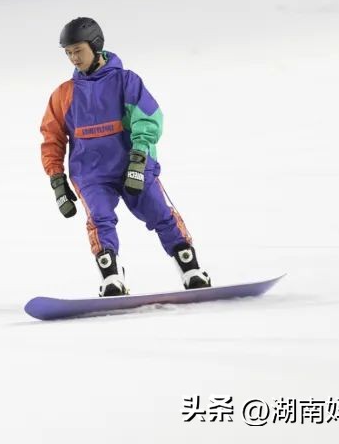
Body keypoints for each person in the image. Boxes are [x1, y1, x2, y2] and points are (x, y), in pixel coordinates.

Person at [39, 17, 212, 297]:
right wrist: (56, 179)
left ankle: (191, 269)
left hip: (130, 164)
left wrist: (139, 158)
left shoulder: (125, 81)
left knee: (160, 214)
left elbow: (148, 118)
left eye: (78, 50)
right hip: (90, 172)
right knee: (100, 218)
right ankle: (111, 278)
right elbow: (52, 137)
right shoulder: (64, 95)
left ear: (95, 46)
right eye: (68, 52)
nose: (73, 58)